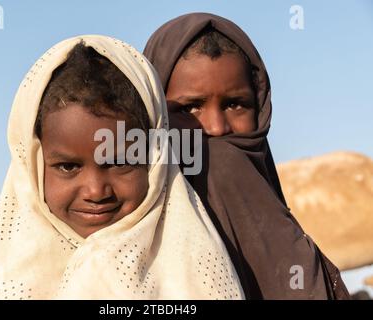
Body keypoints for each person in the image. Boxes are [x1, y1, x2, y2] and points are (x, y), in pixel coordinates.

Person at [0, 35, 244, 299]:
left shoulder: (196, 270)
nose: (96, 191)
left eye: (120, 162)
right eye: (68, 167)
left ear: (155, 158)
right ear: (33, 166)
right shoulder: (1, 282)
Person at [144, 12, 350, 299]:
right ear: (154, 114)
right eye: (190, 108)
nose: (216, 128)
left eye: (235, 104)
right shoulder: (126, 247)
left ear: (260, 108)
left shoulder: (290, 242)